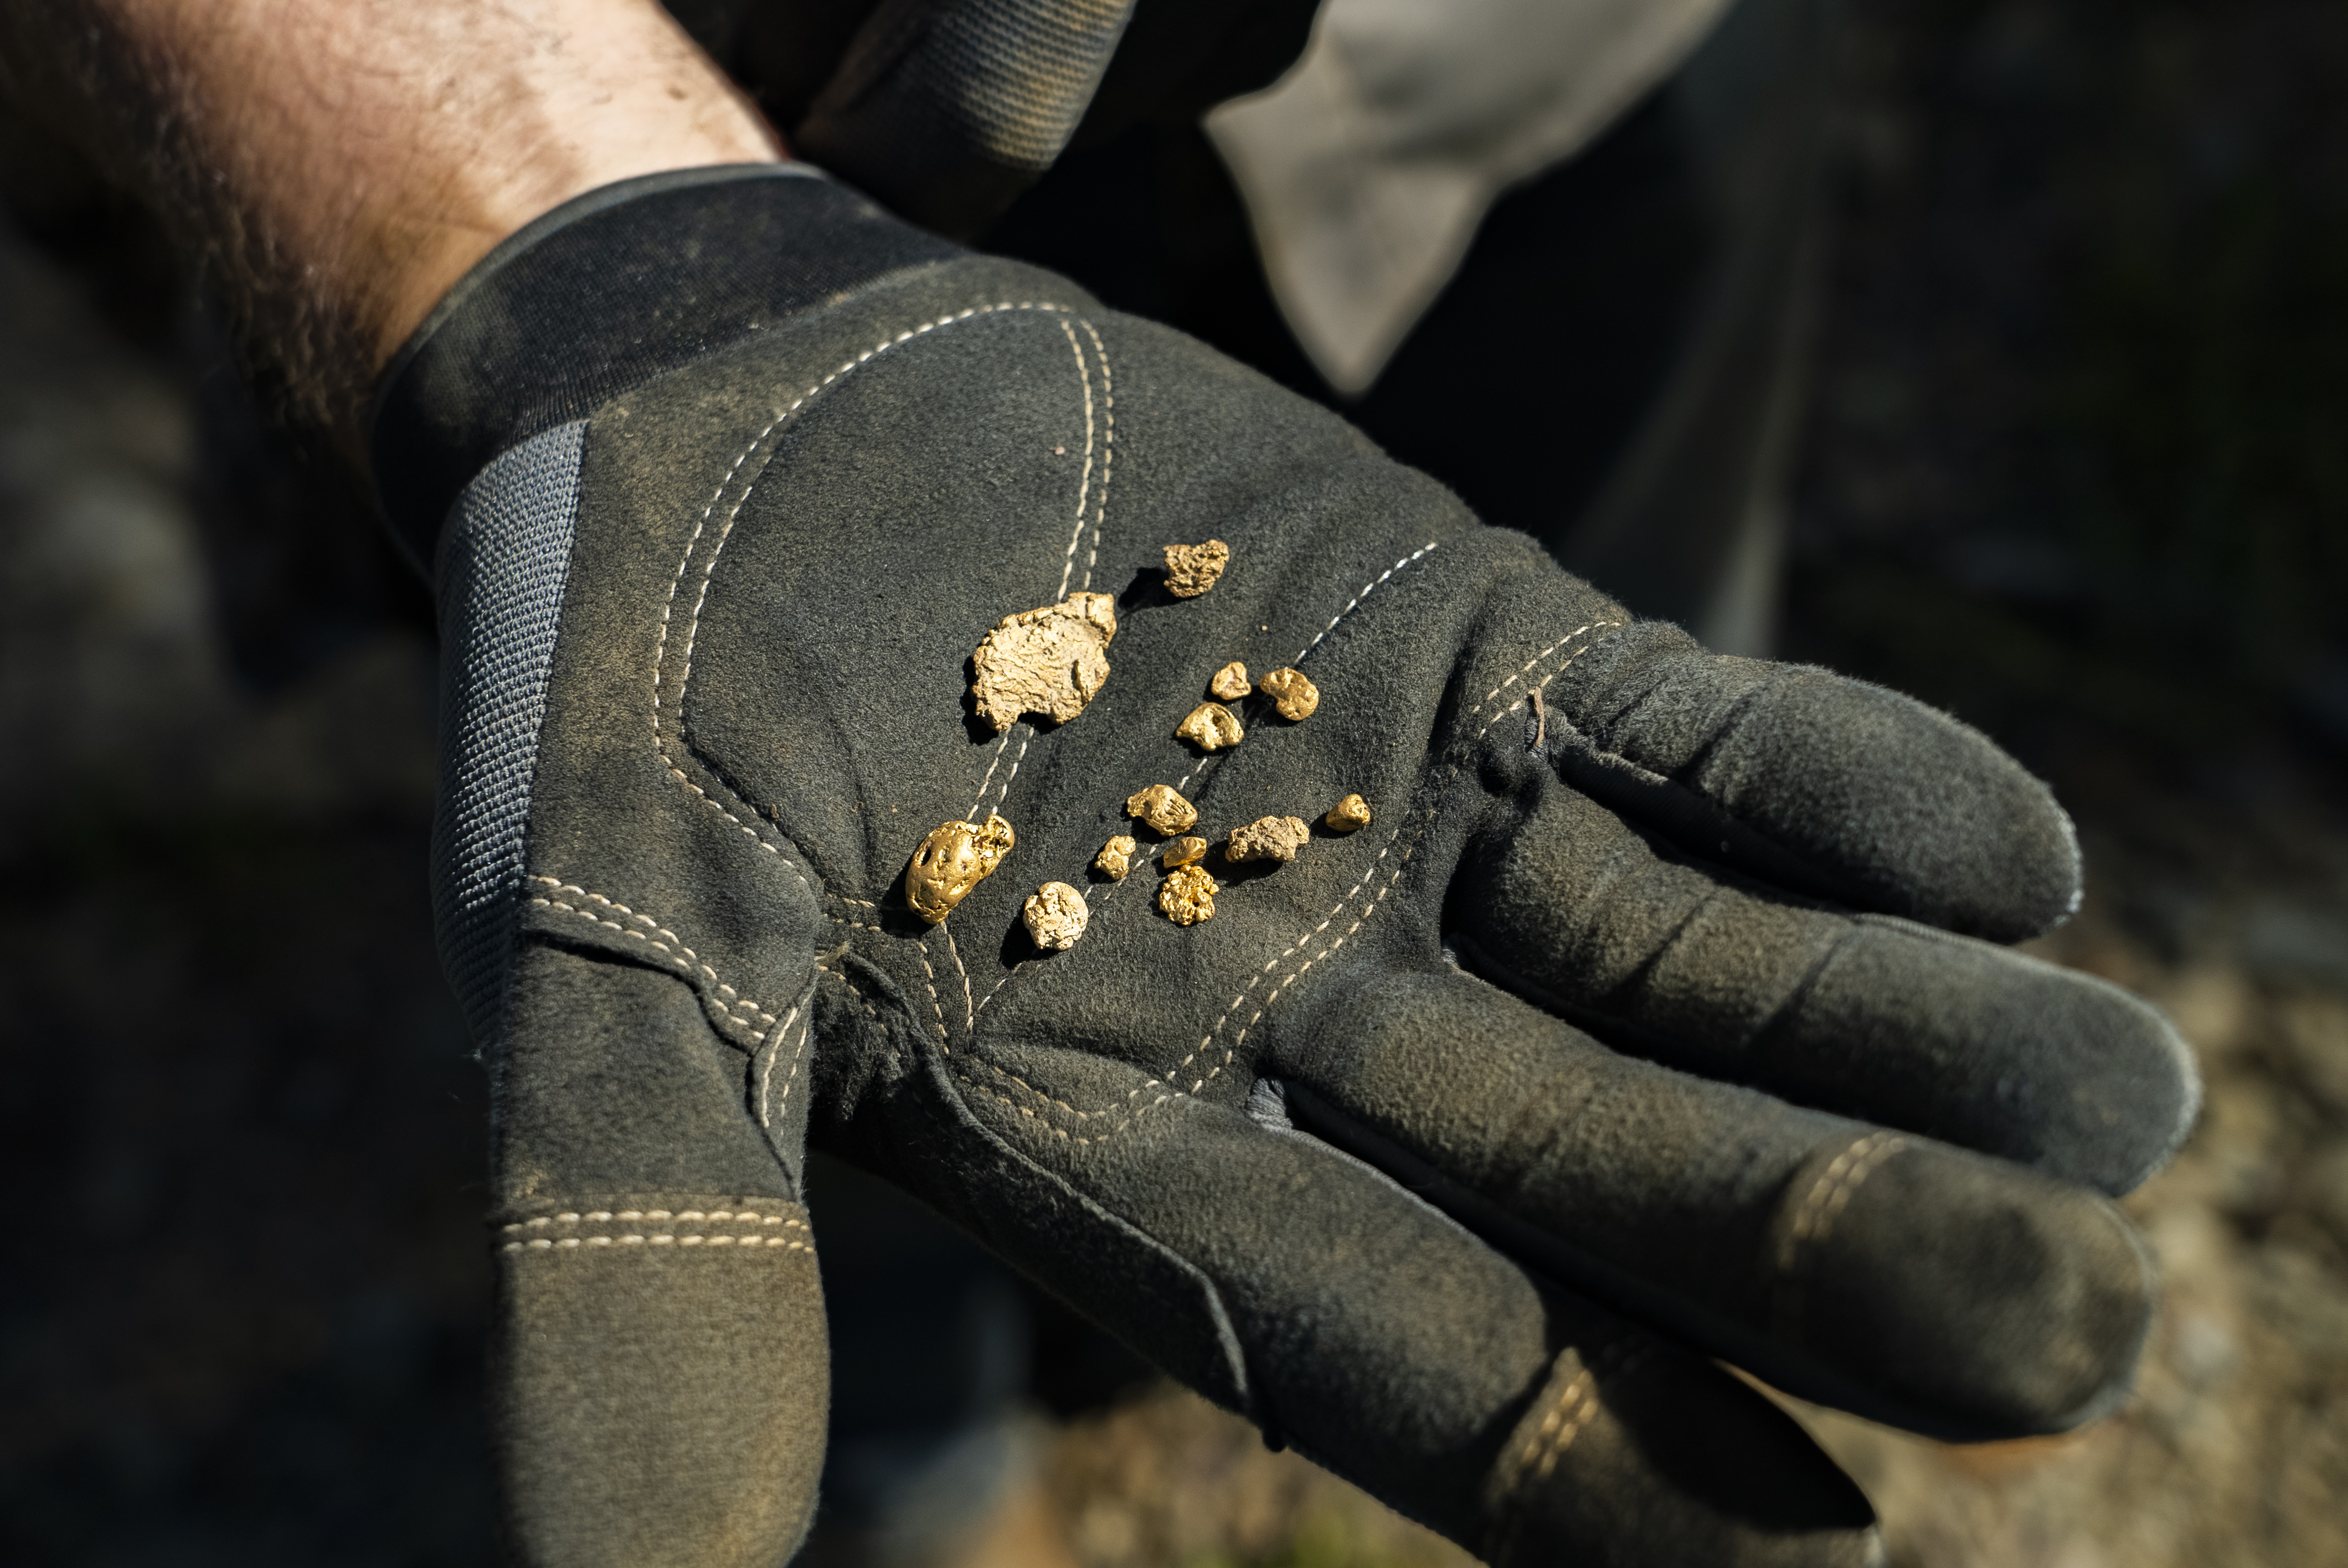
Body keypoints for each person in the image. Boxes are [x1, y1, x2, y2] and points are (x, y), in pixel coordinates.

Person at [1, 5, 2200, 1567]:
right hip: (652, 110)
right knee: (785, 919)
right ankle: (925, 1456)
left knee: (1571, 742)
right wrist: (564, 226)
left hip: (1541, 58)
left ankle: (1609, 1272)